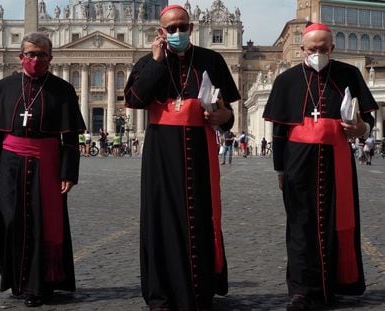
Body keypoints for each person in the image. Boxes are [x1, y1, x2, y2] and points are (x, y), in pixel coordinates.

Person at [124, 4, 240, 310]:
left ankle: (200, 290)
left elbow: (228, 114)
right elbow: (135, 100)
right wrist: (157, 61)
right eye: (171, 29)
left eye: (183, 27)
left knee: (202, 214)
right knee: (161, 217)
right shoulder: (148, 62)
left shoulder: (211, 60)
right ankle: (161, 294)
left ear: (191, 28)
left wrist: (221, 115)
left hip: (200, 150)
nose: (178, 33)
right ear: (161, 32)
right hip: (161, 151)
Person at [263, 22, 378, 311]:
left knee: (336, 221)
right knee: (300, 226)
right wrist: (279, 170)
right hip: (297, 163)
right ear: (302, 49)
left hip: (336, 159)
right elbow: (278, 131)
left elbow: (368, 121)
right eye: (312, 49)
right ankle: (302, 290)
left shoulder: (348, 74)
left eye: (323, 49)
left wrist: (360, 128)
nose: (318, 53)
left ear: (333, 48)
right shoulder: (286, 80)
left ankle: (338, 282)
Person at [0, 32, 86, 307]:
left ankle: (38, 285)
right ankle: (17, 280)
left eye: (41, 55)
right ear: (21, 56)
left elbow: (71, 138)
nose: (35, 59)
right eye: (30, 54)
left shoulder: (62, 89)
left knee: (42, 224)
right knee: (11, 221)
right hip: (10, 163)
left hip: (47, 163)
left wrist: (69, 173)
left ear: (50, 58)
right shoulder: (5, 86)